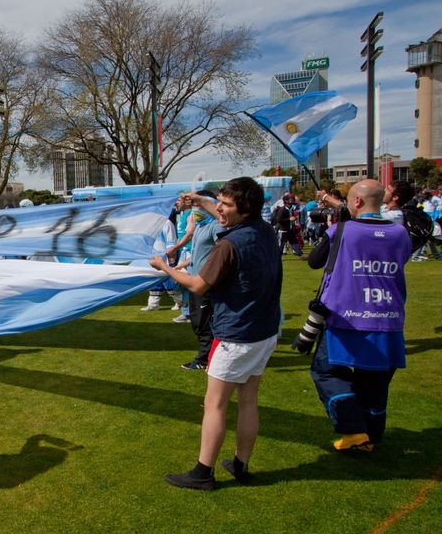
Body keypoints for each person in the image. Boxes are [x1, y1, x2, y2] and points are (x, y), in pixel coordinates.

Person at [150, 177, 282, 490]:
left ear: (244, 209)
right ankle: (241, 463)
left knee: (215, 404)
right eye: (218, 202)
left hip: (237, 334)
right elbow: (222, 213)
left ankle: (203, 472)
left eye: (226, 205)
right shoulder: (263, 230)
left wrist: (165, 267)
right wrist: (200, 200)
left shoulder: (227, 246)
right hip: (265, 329)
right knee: (248, 400)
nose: (219, 209)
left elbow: (197, 285)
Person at [307, 180, 410, 451]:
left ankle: (353, 429)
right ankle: (371, 435)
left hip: (347, 316)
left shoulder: (342, 230)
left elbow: (315, 260)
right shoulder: (400, 233)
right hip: (387, 316)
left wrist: (334, 226)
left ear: (356, 202)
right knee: (374, 380)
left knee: (326, 371)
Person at [178, 190, 223, 370]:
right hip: (194, 280)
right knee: (196, 321)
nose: (195, 209)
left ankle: (205, 359)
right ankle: (208, 356)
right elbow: (198, 253)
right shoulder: (200, 226)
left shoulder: (215, 226)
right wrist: (182, 265)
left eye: (198, 205)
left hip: (206, 282)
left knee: (204, 322)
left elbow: (221, 251)